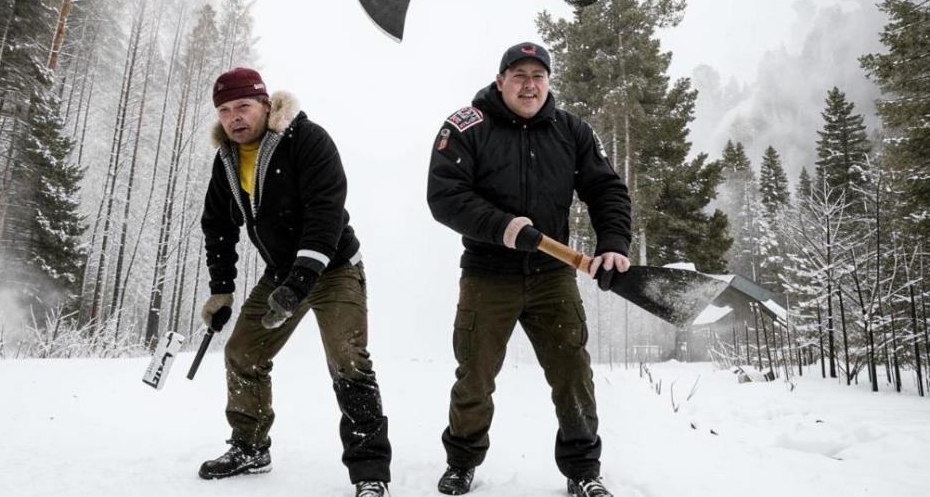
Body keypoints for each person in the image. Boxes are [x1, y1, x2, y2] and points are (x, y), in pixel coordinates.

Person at [426, 42, 632, 497]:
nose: (529, 84)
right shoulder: (466, 126)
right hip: (487, 274)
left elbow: (606, 190)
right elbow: (444, 196)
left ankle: (582, 469)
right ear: (500, 82)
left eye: (538, 76)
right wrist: (502, 227)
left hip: (552, 276)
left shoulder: (572, 130)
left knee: (572, 373)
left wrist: (614, 243)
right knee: (475, 375)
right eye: (518, 75)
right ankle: (462, 461)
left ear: (549, 82)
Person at [198, 67, 392, 497]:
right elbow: (217, 226)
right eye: (225, 110)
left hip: (335, 267)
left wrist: (301, 281)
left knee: (349, 360)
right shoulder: (226, 160)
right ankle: (250, 447)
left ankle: (370, 473)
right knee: (242, 352)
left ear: (267, 105)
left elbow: (326, 214)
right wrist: (222, 289)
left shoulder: (307, 140)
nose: (235, 118)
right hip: (281, 272)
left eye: (244, 106)